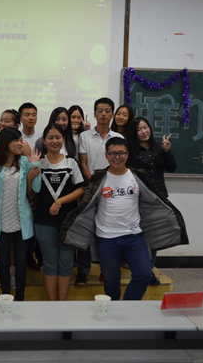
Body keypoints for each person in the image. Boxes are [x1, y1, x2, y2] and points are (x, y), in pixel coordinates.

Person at [59, 137, 188, 301]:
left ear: (127, 155)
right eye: (112, 153)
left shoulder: (138, 176)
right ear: (106, 156)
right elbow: (87, 206)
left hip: (134, 236)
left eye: (121, 153)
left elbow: (152, 201)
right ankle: (114, 310)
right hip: (106, 238)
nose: (117, 157)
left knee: (143, 274)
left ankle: (127, 307)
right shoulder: (99, 178)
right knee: (111, 282)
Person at [0, 127, 41, 301]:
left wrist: (35, 165)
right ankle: (5, 298)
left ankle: (20, 298)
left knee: (20, 262)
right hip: (1, 221)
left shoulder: (26, 161)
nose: (21, 144)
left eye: (21, 140)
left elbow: (36, 189)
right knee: (3, 262)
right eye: (17, 141)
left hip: (21, 220)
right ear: (6, 143)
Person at [34, 124, 86, 301]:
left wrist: (59, 201)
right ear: (44, 140)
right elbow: (30, 191)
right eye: (50, 137)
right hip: (43, 222)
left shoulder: (71, 162)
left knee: (66, 264)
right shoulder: (38, 163)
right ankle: (52, 304)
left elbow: (81, 189)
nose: (54, 141)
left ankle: (62, 304)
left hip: (68, 221)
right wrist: (30, 177)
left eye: (58, 137)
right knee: (49, 264)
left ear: (63, 139)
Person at [75, 98, 124, 285]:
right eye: (100, 110)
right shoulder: (84, 136)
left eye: (107, 110)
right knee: (85, 231)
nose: (104, 114)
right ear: (95, 114)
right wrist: (95, 185)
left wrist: (108, 185)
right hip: (90, 189)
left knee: (109, 232)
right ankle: (83, 272)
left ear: (112, 114)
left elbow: (119, 163)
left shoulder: (118, 138)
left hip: (112, 191)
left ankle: (106, 270)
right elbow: (83, 163)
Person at [126, 117, 177, 285]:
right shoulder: (131, 152)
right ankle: (144, 271)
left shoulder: (158, 148)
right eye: (139, 129)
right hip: (139, 200)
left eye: (145, 127)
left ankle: (149, 270)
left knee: (154, 237)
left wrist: (166, 151)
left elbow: (171, 167)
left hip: (159, 198)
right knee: (142, 237)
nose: (143, 131)